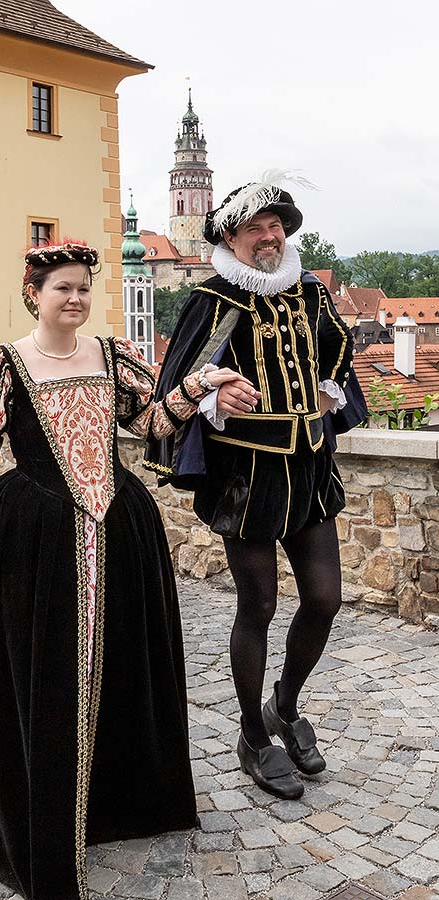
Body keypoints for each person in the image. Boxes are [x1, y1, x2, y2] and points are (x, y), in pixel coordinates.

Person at [0, 241, 254, 900]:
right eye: (62, 288)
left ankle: (112, 802)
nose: (76, 299)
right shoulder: (2, 363)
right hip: (33, 535)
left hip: (119, 528)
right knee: (45, 669)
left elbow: (147, 422)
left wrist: (199, 386)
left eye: (84, 287)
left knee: (118, 661)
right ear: (35, 294)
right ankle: (38, 806)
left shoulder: (113, 356)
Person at [145, 173, 359, 801]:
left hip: (311, 468)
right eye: (255, 228)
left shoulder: (311, 295)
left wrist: (329, 387)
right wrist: (216, 391)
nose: (269, 237)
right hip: (248, 475)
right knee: (258, 606)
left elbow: (337, 354)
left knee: (324, 599)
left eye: (276, 227)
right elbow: (182, 377)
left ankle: (283, 706)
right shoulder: (214, 300)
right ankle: (251, 737)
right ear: (231, 238)